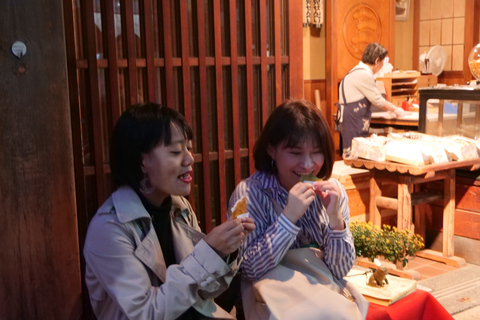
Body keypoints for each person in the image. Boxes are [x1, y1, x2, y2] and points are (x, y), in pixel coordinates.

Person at [83, 102, 255, 320]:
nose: (190, 159)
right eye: (175, 151)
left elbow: (203, 292)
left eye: (189, 148)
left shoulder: (180, 208)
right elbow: (145, 314)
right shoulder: (109, 228)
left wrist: (225, 251)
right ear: (142, 162)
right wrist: (209, 252)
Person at [228, 99, 367, 319]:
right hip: (273, 307)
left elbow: (339, 271)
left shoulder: (333, 191)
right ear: (272, 149)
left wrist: (335, 219)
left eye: (317, 152)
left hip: (323, 304)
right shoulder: (248, 194)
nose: (308, 164)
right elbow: (248, 270)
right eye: (295, 153)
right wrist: (288, 218)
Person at [337, 42, 404, 158]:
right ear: (377, 61)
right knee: (354, 156)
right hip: (353, 119)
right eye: (383, 62)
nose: (382, 66)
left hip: (350, 118)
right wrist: (396, 110)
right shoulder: (363, 74)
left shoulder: (357, 71)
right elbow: (378, 101)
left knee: (353, 154)